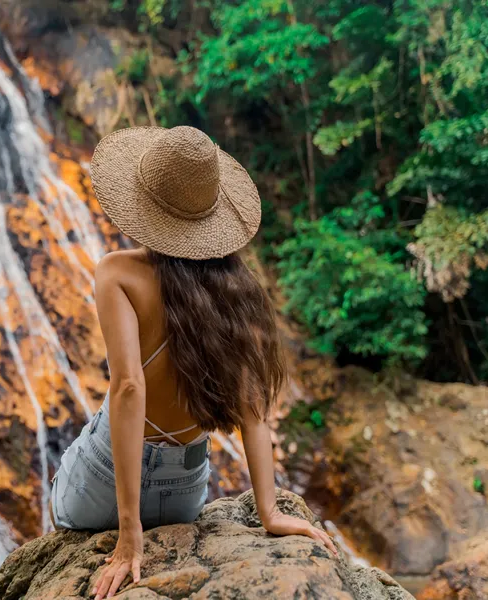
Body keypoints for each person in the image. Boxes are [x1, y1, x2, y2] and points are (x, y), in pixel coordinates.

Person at [49, 125, 337, 600]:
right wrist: (269, 511)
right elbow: (253, 409)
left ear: (143, 203)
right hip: (184, 492)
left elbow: (127, 388)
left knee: (62, 482)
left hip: (104, 481)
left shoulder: (117, 272)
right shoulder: (234, 292)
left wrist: (128, 535)